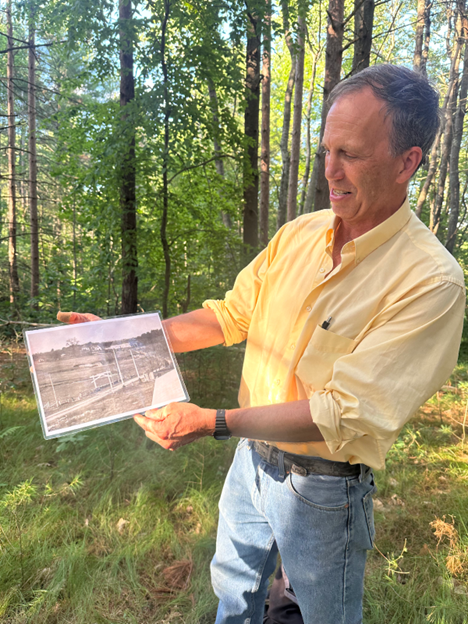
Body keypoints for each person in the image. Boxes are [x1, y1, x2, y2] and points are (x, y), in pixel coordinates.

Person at [61, 64, 466, 624]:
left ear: (408, 162)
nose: (331, 170)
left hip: (324, 493)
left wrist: (212, 421)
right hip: (248, 463)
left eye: (351, 153)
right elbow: (230, 315)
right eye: (326, 149)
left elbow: (343, 415)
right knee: (234, 598)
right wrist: (120, 339)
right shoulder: (299, 235)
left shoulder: (430, 282)